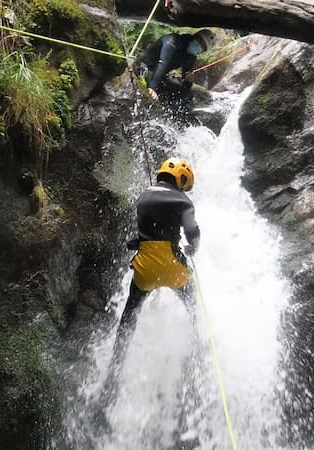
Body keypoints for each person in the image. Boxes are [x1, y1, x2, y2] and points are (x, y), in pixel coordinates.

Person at [105, 157, 200, 392]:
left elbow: (144, 231)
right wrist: (194, 247)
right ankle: (200, 348)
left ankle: (114, 370)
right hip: (174, 267)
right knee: (194, 306)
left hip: (145, 267)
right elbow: (192, 232)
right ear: (181, 178)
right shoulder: (185, 202)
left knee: (130, 314)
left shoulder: (143, 196)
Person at [131, 29, 215, 111]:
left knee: (187, 94)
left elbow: (185, 85)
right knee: (155, 81)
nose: (199, 46)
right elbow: (163, 63)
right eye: (200, 41)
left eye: (203, 47)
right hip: (145, 68)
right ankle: (156, 103)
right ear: (195, 36)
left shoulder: (191, 57)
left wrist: (189, 81)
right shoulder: (173, 40)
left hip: (159, 77)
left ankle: (166, 111)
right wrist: (152, 87)